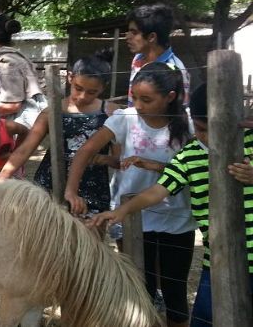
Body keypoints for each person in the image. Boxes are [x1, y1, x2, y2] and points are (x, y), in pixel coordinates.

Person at [89, 83, 253, 327]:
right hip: (216, 257)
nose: (204, 137)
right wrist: (120, 211)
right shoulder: (189, 155)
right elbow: (157, 191)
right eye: (199, 129)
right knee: (205, 319)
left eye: (212, 130)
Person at [66, 62, 196, 327]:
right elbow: (86, 151)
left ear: (170, 97)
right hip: (135, 219)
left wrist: (155, 165)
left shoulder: (189, 125)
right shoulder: (125, 119)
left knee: (175, 291)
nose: (138, 104)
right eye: (135, 97)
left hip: (178, 218)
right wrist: (71, 189)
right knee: (140, 290)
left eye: (146, 99)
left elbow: (196, 167)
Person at [0, 50, 120, 215]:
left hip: (92, 189)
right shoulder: (51, 111)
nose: (82, 96)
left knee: (90, 238)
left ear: (103, 88)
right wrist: (1, 178)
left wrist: (103, 159)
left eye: (91, 92)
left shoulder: (112, 113)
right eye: (78, 88)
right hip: (50, 185)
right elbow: (25, 149)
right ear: (70, 77)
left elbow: (119, 160)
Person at [126, 4, 190, 106]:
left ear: (151, 37)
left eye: (134, 32)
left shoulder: (175, 69)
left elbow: (181, 111)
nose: (127, 36)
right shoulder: (137, 59)